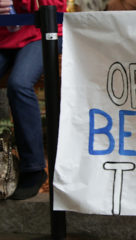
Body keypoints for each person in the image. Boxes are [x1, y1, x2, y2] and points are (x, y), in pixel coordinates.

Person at [0, 0, 66, 200]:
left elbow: (58, 5)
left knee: (19, 84)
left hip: (41, 32)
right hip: (4, 36)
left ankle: (34, 168)